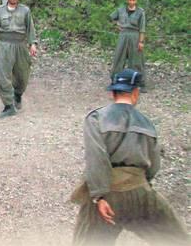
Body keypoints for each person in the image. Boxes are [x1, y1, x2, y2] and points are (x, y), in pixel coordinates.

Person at [71, 69, 189, 245]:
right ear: (136, 93)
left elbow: (96, 159)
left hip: (108, 193)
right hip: (140, 190)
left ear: (112, 93)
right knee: (174, 238)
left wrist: (99, 197)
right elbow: (154, 165)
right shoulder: (147, 124)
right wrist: (143, 188)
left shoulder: (96, 118)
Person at [0, 0, 37, 118]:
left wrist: (32, 44)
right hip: (5, 45)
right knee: (2, 76)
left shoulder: (25, 11)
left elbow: (30, 28)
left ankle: (17, 95)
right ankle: (9, 106)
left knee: (22, 74)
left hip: (21, 45)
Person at [110, 0, 147, 92]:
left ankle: (139, 83)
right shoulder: (121, 10)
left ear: (136, 0)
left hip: (135, 36)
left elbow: (142, 28)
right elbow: (111, 17)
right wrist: (116, 25)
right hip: (123, 35)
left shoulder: (140, 12)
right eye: (130, 0)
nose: (132, 2)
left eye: (134, 0)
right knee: (119, 58)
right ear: (127, 0)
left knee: (136, 60)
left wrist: (141, 42)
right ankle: (115, 80)